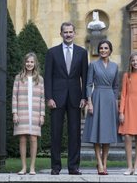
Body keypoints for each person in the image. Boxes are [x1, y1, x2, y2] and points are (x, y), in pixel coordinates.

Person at [44, 22, 88, 175]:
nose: (68, 34)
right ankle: (55, 167)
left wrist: (85, 97)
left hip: (76, 98)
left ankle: (73, 167)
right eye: (65, 32)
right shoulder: (52, 53)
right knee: (56, 132)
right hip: (56, 98)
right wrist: (48, 97)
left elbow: (85, 76)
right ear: (61, 33)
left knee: (75, 133)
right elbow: (47, 77)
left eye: (70, 32)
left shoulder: (82, 52)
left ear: (74, 33)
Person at [82, 40, 122, 175]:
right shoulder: (93, 65)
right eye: (101, 48)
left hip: (110, 99)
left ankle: (105, 163)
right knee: (97, 132)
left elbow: (116, 86)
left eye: (106, 48)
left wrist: (115, 102)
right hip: (97, 97)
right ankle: (99, 163)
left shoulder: (115, 66)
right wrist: (89, 102)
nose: (103, 50)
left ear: (110, 50)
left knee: (107, 134)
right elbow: (88, 84)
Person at [12, 52, 45, 175]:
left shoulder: (40, 79)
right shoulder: (18, 78)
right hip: (22, 112)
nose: (29, 64)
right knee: (22, 139)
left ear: (35, 63)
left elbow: (42, 97)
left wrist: (42, 114)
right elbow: (14, 96)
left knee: (33, 138)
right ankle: (24, 167)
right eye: (27, 62)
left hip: (35, 112)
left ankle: (32, 167)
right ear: (24, 63)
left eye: (31, 62)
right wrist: (15, 113)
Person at [118, 52, 137, 176]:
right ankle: (129, 166)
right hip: (129, 108)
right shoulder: (127, 76)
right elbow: (123, 95)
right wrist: (121, 112)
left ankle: (136, 167)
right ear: (130, 62)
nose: (135, 62)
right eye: (133, 61)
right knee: (127, 136)